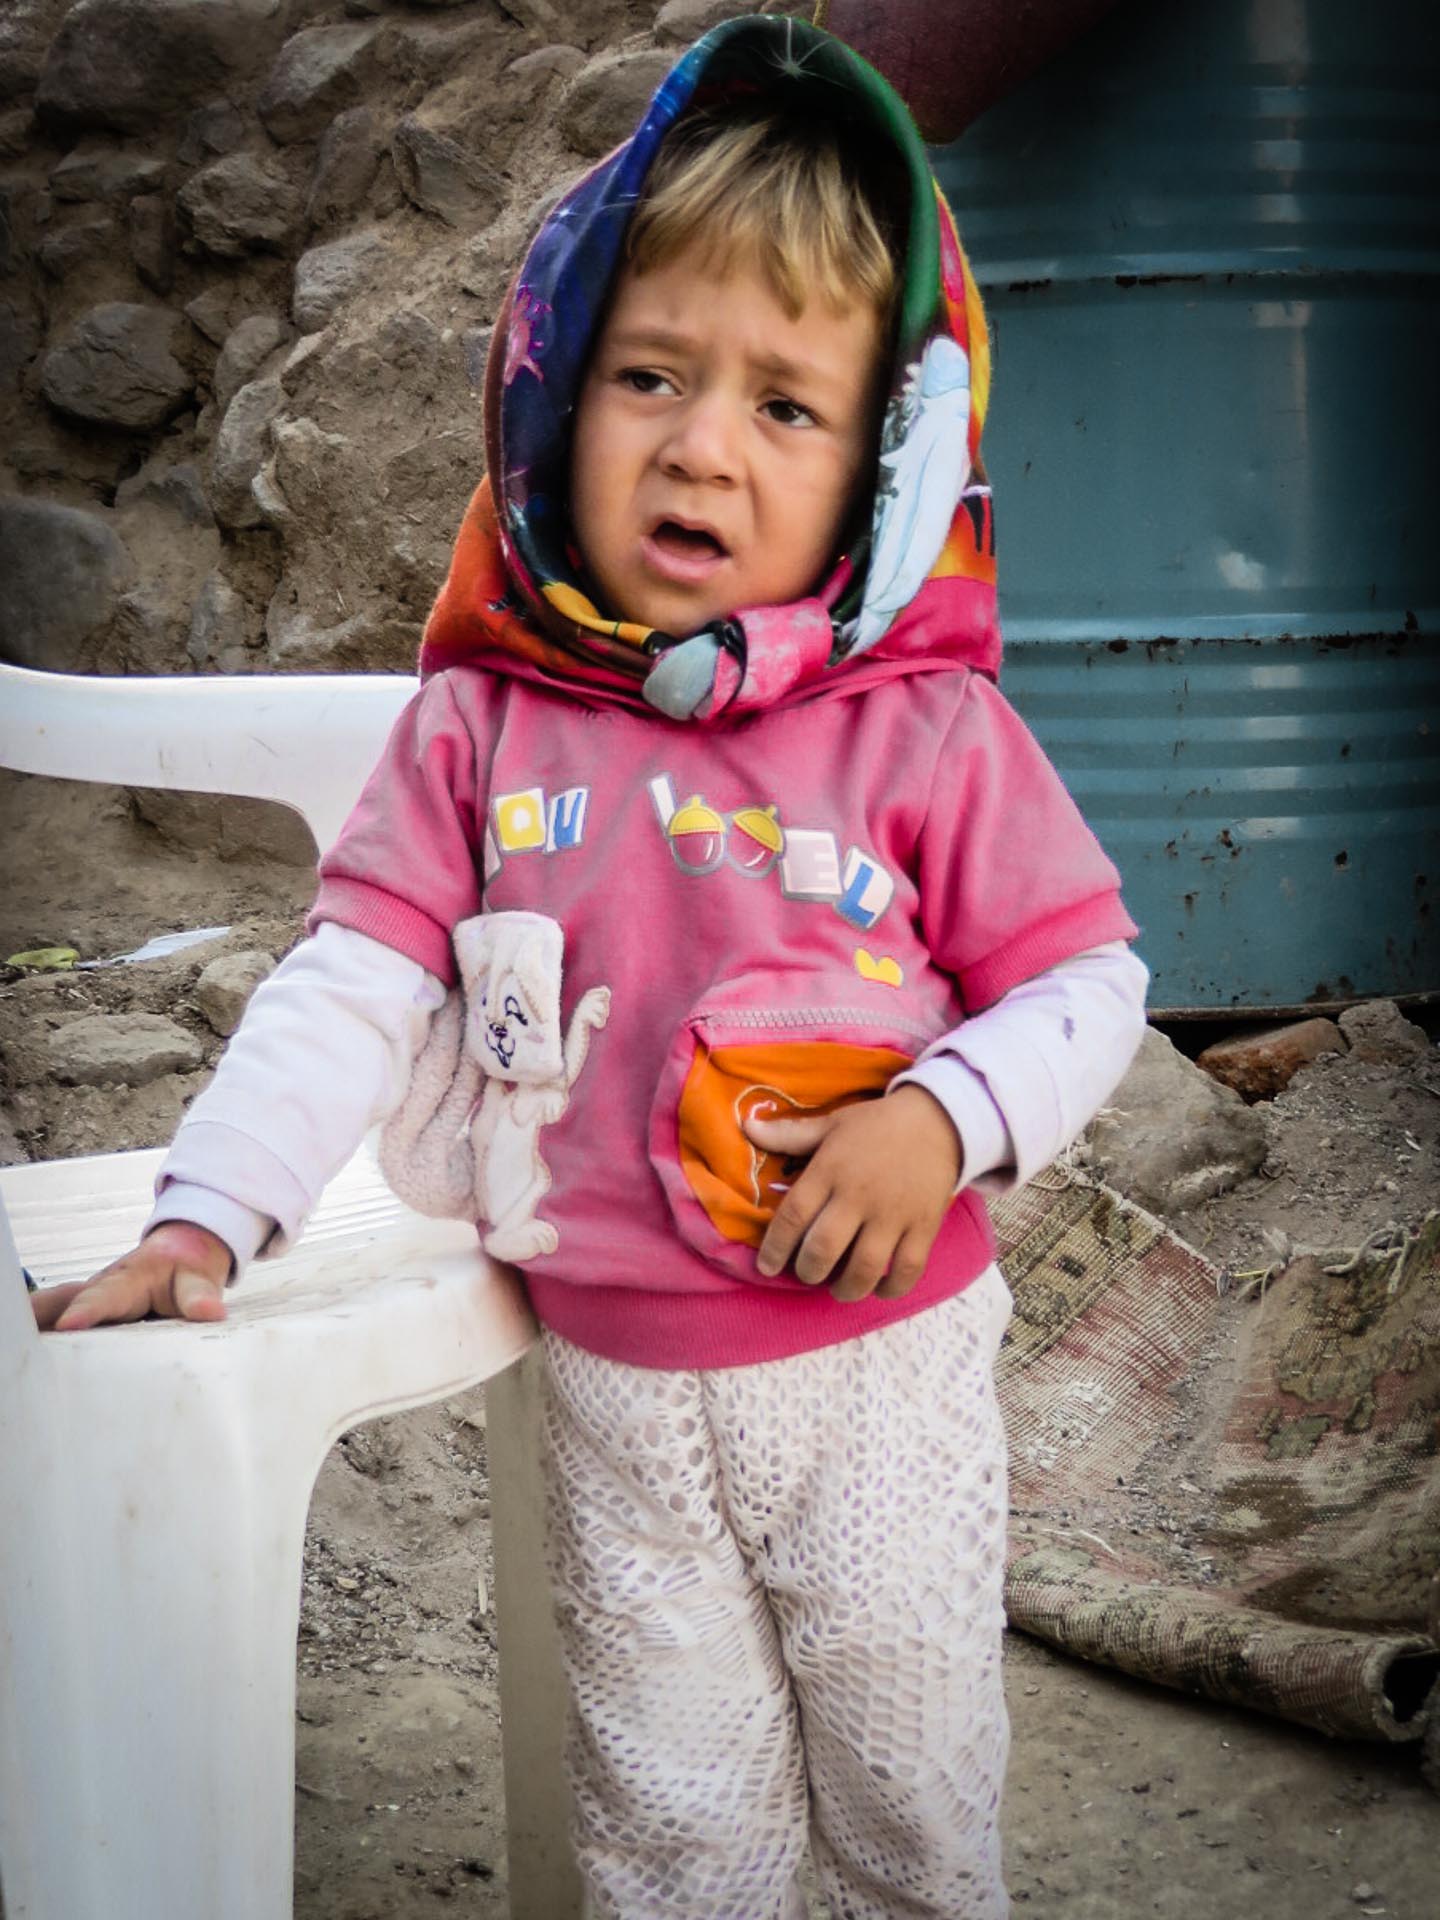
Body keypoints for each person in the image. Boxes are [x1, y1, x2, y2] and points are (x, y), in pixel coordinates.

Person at [35, 17, 1148, 1917]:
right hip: (619, 1402)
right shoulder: (484, 728)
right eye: (650, 374)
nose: (704, 442)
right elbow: (350, 974)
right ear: (554, 394)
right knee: (669, 1832)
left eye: (787, 407)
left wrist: (945, 1125)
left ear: (889, 466)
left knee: (911, 1802)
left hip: (881, 1380)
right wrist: (209, 1209)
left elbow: (1089, 982)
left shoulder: (930, 733)